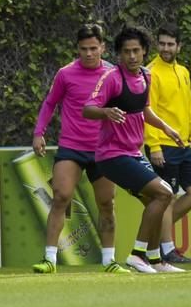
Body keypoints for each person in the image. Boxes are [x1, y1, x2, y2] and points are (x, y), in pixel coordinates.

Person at [83, 25, 185, 273]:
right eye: (126, 51)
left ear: (144, 52)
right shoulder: (112, 78)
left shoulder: (147, 76)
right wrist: (106, 111)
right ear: (119, 54)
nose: (131, 56)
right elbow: (87, 108)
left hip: (133, 152)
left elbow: (145, 110)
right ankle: (138, 254)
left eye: (136, 51)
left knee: (159, 198)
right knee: (163, 193)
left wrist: (167, 128)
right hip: (111, 155)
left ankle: (155, 260)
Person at [31, 24, 129, 274]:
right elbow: (50, 102)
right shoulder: (65, 74)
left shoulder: (113, 74)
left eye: (93, 48)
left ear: (103, 47)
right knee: (61, 197)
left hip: (104, 149)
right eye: (84, 49)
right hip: (72, 147)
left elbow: (127, 108)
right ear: (77, 49)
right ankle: (49, 259)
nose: (88, 53)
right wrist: (38, 133)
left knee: (106, 203)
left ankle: (109, 261)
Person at [144, 23, 191, 264]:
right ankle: (167, 249)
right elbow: (147, 112)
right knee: (167, 196)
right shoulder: (150, 72)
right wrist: (155, 145)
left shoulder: (183, 72)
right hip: (162, 143)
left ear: (179, 46)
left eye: (170, 44)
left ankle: (159, 233)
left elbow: (189, 107)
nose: (166, 48)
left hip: (183, 144)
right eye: (162, 43)